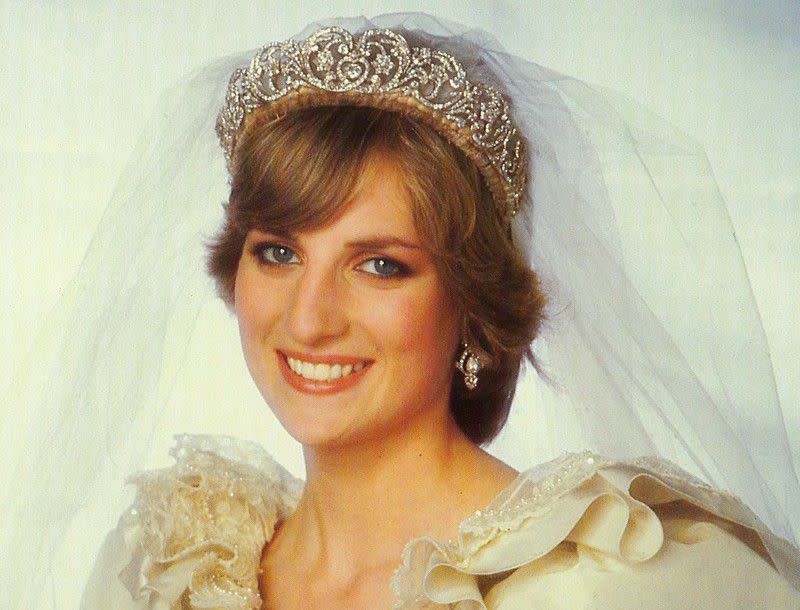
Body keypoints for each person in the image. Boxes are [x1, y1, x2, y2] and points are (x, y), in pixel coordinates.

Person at [3, 12, 799, 609]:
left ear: (473, 301)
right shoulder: (162, 566)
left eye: (381, 266)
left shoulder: (629, 575)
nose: (309, 320)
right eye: (278, 252)